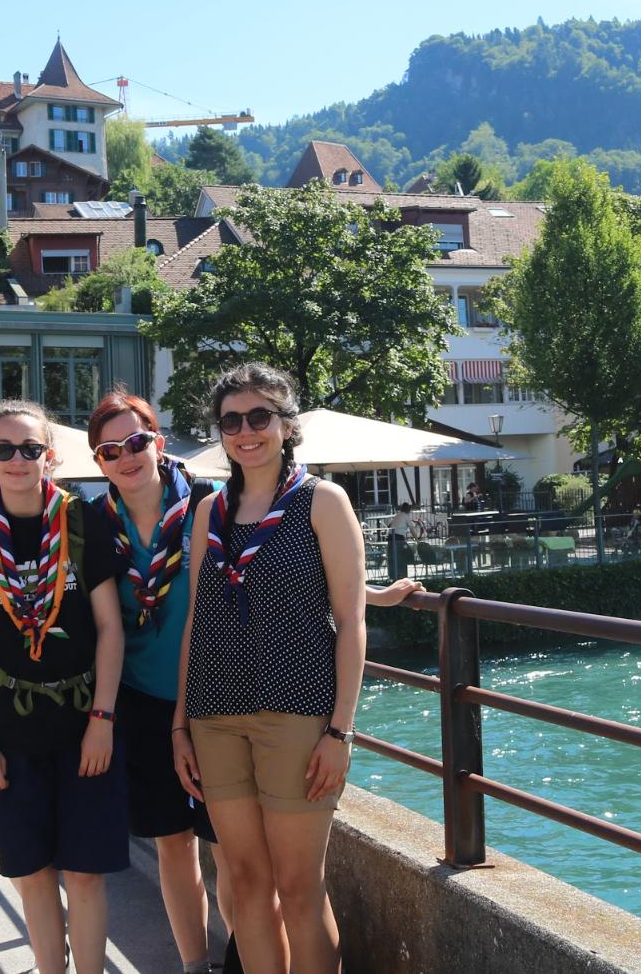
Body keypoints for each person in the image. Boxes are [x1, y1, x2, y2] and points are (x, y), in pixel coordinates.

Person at [174, 363, 365, 974]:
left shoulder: (322, 502)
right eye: (230, 421)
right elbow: (197, 620)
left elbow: (352, 621)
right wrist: (180, 724)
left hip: (297, 712)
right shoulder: (209, 512)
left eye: (259, 416)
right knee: (247, 881)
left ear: (286, 425)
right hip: (215, 716)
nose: (245, 431)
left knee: (300, 887)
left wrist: (340, 731)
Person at [0, 399, 127, 974]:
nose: (18, 459)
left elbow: (110, 628)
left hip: (83, 729)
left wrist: (103, 721)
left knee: (86, 874)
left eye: (30, 448)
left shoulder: (83, 522)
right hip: (5, 738)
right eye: (4, 449)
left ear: (50, 456)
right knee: (33, 874)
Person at [83, 389, 218, 973]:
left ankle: (246, 958)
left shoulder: (209, 506)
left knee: (230, 846)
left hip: (216, 698)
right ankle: (195, 965)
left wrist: (365, 595)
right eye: (110, 450)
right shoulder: (91, 525)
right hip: (141, 702)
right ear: (98, 462)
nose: (126, 456)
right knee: (173, 842)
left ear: (158, 443)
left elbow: (280, 569)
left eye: (136, 442)